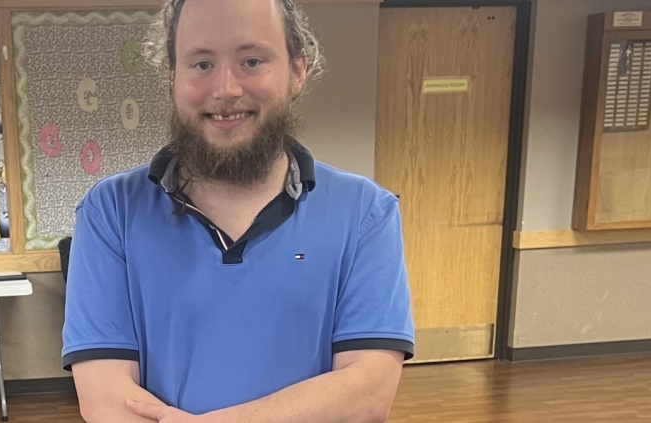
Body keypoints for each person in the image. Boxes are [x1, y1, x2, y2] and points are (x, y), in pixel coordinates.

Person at [61, 0, 415, 421]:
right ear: (173, 73)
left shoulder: (365, 213)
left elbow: (367, 394)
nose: (225, 89)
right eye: (202, 64)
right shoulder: (111, 212)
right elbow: (105, 397)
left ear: (297, 70)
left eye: (251, 60)